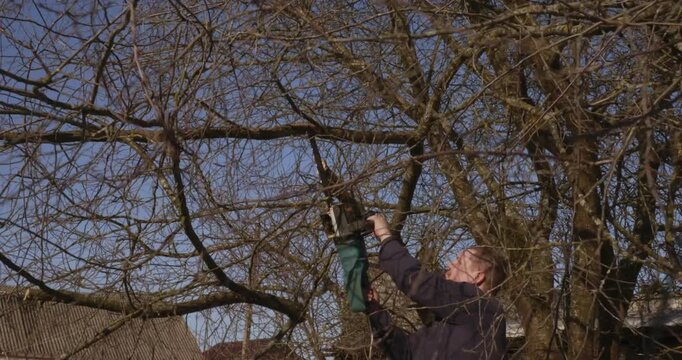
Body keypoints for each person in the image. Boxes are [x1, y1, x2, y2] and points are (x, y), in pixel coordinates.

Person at [365, 214, 507, 360]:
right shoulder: (451, 325)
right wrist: (375, 310)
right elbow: (404, 353)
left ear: (477, 277)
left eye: (459, 262)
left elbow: (419, 283)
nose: (450, 265)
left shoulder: (484, 308)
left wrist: (385, 236)